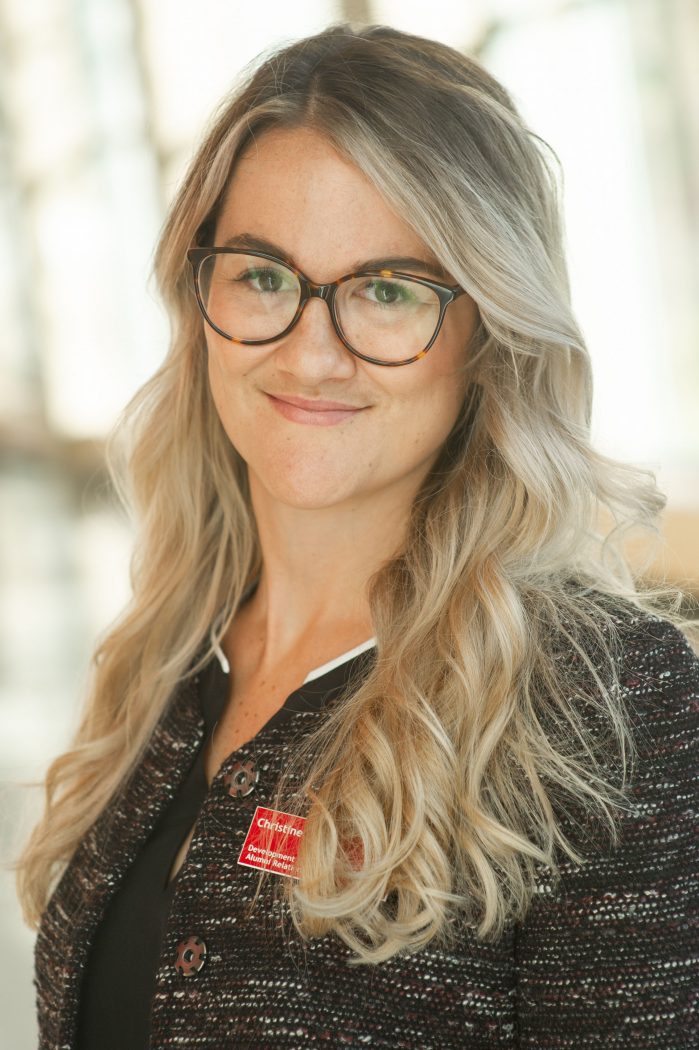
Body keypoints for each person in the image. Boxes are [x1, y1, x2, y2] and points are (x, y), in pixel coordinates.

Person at [14, 21, 699, 1050]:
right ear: (199, 297)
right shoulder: (168, 652)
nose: (311, 353)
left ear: (489, 330)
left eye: (387, 291)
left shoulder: (605, 700)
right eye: (262, 275)